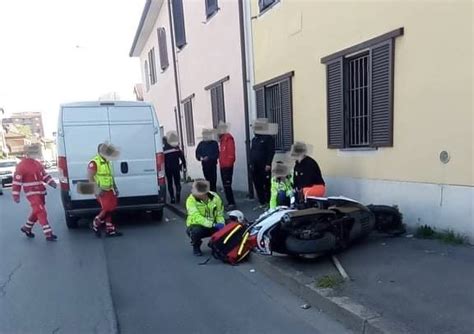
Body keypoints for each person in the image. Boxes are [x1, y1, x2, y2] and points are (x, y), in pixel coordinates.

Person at [12, 143, 58, 241]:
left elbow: (44, 175)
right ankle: (48, 233)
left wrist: (52, 183)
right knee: (41, 211)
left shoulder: (37, 163)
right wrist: (16, 195)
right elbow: (17, 181)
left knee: (36, 211)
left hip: (41, 191)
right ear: (27, 153)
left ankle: (27, 228)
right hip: (31, 193)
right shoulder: (21, 166)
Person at [88, 143, 123, 238]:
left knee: (111, 209)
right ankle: (95, 224)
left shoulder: (107, 161)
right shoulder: (94, 162)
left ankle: (110, 230)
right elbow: (90, 178)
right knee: (107, 208)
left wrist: (115, 187)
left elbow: (110, 176)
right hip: (101, 190)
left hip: (109, 189)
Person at [185, 179, 225, 256]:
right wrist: (212, 224)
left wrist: (221, 223)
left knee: (228, 226)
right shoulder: (190, 200)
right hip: (198, 225)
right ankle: (196, 246)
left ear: (202, 193)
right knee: (195, 232)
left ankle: (217, 245)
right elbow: (196, 216)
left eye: (193, 189)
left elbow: (219, 213)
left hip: (213, 224)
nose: (191, 191)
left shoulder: (215, 198)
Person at [249, 119, 277, 207]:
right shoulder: (254, 140)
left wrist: (268, 163)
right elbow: (252, 152)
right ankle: (261, 202)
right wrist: (250, 163)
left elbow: (271, 152)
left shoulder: (268, 138)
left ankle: (268, 202)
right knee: (257, 184)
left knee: (266, 184)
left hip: (264, 166)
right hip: (255, 166)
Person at [217, 122, 236, 209]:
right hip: (223, 166)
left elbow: (231, 153)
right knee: (225, 185)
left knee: (227, 185)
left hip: (227, 166)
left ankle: (231, 203)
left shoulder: (228, 139)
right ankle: (230, 202)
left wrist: (227, 164)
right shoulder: (222, 140)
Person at [163, 131, 186, 204]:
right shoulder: (176, 148)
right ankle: (178, 192)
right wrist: (184, 166)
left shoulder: (163, 149)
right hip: (176, 167)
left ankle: (172, 198)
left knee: (170, 183)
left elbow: (162, 161)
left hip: (168, 169)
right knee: (177, 182)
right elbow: (182, 157)